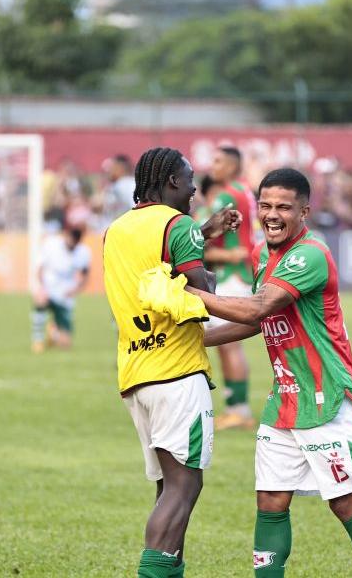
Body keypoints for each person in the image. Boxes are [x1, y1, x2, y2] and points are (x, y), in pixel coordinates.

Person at [169, 168, 352, 578]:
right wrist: (198, 341)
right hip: (285, 398)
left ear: (305, 211)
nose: (272, 215)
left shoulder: (309, 254)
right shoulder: (262, 253)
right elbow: (259, 321)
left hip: (328, 397)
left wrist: (182, 293)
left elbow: (258, 308)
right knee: (270, 500)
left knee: (345, 503)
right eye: (266, 206)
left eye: (284, 207)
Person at [102, 146, 241, 578]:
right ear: (173, 182)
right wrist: (207, 258)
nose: (197, 186)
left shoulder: (115, 230)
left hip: (136, 374)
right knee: (185, 485)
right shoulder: (178, 225)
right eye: (190, 177)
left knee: (168, 489)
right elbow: (204, 292)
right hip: (178, 371)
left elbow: (155, 264)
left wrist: (205, 232)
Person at [202, 146, 259, 430]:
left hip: (231, 275)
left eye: (218, 160)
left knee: (228, 344)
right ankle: (237, 407)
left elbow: (207, 236)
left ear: (233, 165)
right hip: (241, 274)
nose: (213, 165)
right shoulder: (245, 190)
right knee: (228, 345)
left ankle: (239, 409)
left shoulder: (226, 194)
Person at [31, 226, 91, 353]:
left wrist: (75, 290)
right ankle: (38, 340)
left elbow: (85, 276)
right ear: (66, 235)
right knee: (40, 299)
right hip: (49, 289)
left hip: (65, 295)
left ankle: (53, 332)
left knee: (65, 344)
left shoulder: (83, 252)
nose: (72, 245)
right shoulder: (51, 244)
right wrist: (42, 287)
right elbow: (40, 268)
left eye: (75, 243)